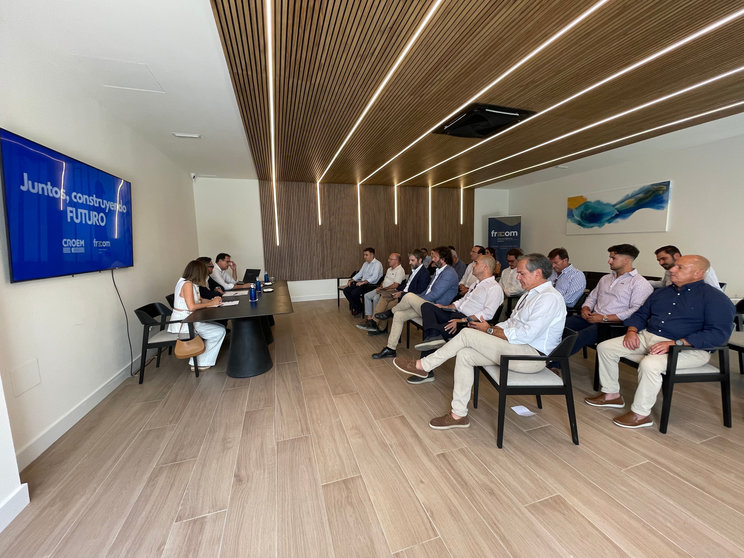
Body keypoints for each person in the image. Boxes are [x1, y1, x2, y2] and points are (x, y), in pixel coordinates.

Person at [392, 253, 566, 429]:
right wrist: (492, 330)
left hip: (531, 357)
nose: (517, 277)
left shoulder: (548, 298)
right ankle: (458, 415)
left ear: (537, 273)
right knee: (465, 354)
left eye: (521, 274)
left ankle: (423, 366)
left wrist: (489, 330)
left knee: (468, 333)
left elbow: (526, 335)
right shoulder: (530, 294)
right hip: (517, 347)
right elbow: (510, 323)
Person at [586, 255, 735, 429]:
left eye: (680, 267)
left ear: (698, 273)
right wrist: (632, 331)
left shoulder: (715, 299)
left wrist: (676, 343)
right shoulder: (662, 292)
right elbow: (641, 314)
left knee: (650, 364)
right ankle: (612, 395)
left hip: (689, 348)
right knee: (605, 347)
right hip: (648, 337)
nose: (671, 270)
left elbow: (718, 334)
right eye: (674, 266)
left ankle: (641, 414)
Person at [408, 255, 504, 384]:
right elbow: (461, 302)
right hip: (455, 314)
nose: (473, 265)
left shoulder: (494, 288)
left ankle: (426, 369)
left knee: (433, 331)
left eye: (476, 263)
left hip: (468, 323)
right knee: (427, 306)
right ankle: (434, 337)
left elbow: (488, 314)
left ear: (485, 267)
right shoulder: (476, 284)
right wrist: (446, 307)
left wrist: (463, 320)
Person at [565, 244, 653, 357]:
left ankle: (552, 364)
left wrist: (604, 318)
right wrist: (585, 308)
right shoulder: (605, 278)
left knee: (578, 336)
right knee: (559, 326)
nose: (609, 261)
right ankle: (542, 356)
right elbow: (592, 297)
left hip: (613, 325)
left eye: (613, 258)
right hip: (593, 317)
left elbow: (636, 311)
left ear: (626, 260)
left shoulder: (639, 283)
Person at [371, 246, 459, 359]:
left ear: (443, 259)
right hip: (427, 305)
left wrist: (413, 298)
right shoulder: (439, 271)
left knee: (408, 297)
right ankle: (390, 348)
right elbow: (426, 292)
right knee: (399, 314)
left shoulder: (449, 273)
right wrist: (415, 298)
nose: (432, 259)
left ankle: (390, 313)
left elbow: (434, 295)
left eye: (435, 257)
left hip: (436, 309)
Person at [168, 260, 227, 371]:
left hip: (191, 319)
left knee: (221, 328)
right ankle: (200, 362)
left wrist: (213, 300)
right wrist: (211, 303)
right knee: (219, 331)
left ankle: (200, 360)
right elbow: (191, 307)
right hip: (185, 323)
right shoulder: (187, 284)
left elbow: (199, 300)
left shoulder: (188, 283)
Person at [361, 250, 430, 336]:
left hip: (408, 298)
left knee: (386, 306)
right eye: (409, 260)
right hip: (402, 293)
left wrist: (401, 293)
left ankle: (378, 326)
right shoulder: (414, 270)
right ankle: (374, 323)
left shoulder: (424, 273)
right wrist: (397, 289)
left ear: (420, 260)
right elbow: (407, 284)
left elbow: (419, 291)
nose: (409, 263)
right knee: (384, 296)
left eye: (412, 260)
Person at [357, 253, 405, 331]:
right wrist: (381, 286)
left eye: (390, 259)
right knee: (367, 296)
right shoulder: (389, 269)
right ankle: (370, 319)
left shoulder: (400, 270)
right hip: (383, 289)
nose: (388, 260)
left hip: (390, 291)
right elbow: (384, 280)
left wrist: (384, 289)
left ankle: (375, 322)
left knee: (376, 298)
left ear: (396, 261)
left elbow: (395, 285)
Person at [650, 245, 722, 290]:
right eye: (659, 260)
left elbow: (715, 290)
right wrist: (643, 281)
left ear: (676, 256)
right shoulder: (669, 270)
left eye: (663, 259)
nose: (660, 263)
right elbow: (664, 284)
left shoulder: (700, 267)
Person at [343, 247, 383, 315]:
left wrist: (363, 282)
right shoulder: (365, 264)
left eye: (366, 255)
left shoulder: (377, 264)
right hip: (362, 284)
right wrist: (351, 280)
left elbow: (374, 277)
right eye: (364, 255)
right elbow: (360, 274)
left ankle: (358, 308)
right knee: (346, 290)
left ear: (372, 255)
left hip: (371, 285)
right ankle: (359, 308)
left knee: (354, 293)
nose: (364, 257)